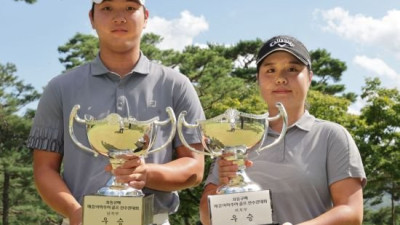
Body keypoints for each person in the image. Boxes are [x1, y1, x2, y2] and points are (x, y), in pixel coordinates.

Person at [27, 0, 205, 225]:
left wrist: (146, 173)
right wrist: (73, 211)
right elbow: (44, 169)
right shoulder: (60, 88)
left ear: (146, 16)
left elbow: (195, 168)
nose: (119, 17)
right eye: (107, 8)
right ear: (91, 18)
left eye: (130, 8)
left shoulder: (177, 85)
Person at [199, 35, 366, 225]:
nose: (280, 79)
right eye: (270, 70)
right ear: (258, 80)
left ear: (309, 78)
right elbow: (206, 218)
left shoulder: (332, 136)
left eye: (292, 69)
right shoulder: (235, 136)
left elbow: (351, 212)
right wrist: (223, 183)